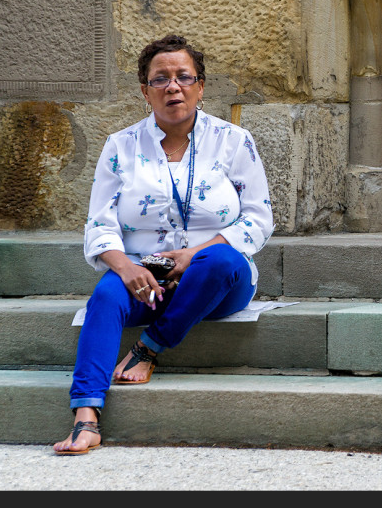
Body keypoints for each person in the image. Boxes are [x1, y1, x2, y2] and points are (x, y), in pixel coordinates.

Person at [54, 34, 274, 455]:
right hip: (147, 269)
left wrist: (192, 255)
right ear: (145, 91)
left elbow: (258, 218)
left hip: (218, 274)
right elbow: (99, 224)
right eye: (161, 79)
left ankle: (150, 346)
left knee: (221, 260)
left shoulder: (232, 141)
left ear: (200, 86)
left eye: (183, 77)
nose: (173, 87)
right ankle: (86, 416)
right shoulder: (121, 146)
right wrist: (126, 267)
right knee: (106, 295)